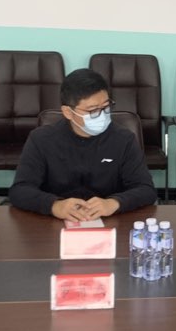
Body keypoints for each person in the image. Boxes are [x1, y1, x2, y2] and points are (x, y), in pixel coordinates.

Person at [10, 68, 156, 220]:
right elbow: (20, 190)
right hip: (56, 222)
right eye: (93, 110)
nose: (102, 115)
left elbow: (146, 189)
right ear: (68, 112)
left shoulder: (124, 139)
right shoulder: (41, 139)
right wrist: (54, 205)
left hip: (110, 221)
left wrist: (114, 203)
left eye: (106, 107)